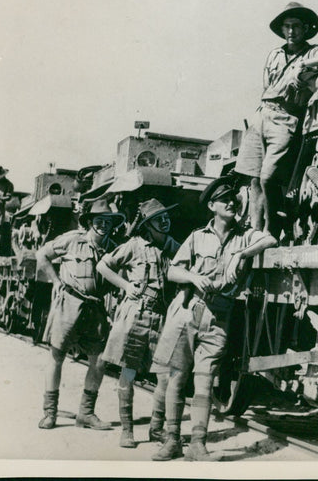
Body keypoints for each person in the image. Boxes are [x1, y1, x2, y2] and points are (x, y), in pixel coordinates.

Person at [150, 176, 277, 461]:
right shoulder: (197, 237)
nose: (231, 202)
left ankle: (197, 444)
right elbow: (172, 272)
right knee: (177, 377)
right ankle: (171, 440)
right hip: (188, 311)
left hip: (219, 317)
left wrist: (240, 255)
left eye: (233, 197)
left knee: (205, 381)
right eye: (224, 200)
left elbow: (271, 238)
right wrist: (194, 277)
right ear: (212, 206)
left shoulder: (245, 235)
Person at [234, 2, 318, 239]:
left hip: (286, 117)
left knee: (268, 178)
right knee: (253, 178)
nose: (291, 31)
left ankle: (272, 230)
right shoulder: (275, 54)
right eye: (287, 26)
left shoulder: (312, 51)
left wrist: (304, 64)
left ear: (305, 29)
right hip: (262, 113)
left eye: (296, 26)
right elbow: (266, 84)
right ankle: (255, 231)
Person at [35, 198, 125, 432]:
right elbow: (41, 255)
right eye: (99, 220)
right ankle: (50, 413)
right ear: (90, 221)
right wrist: (55, 281)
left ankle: (86, 413)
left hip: (95, 309)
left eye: (108, 221)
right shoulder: (73, 241)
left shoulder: (113, 249)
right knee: (57, 356)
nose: (104, 225)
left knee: (99, 361)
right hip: (70, 304)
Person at [97, 198, 180, 449]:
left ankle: (156, 429)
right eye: (159, 219)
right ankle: (127, 430)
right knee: (128, 373)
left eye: (166, 217)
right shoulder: (133, 246)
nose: (165, 221)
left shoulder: (172, 246)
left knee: (164, 376)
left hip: (161, 318)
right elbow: (103, 265)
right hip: (136, 315)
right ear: (147, 224)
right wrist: (125, 285)